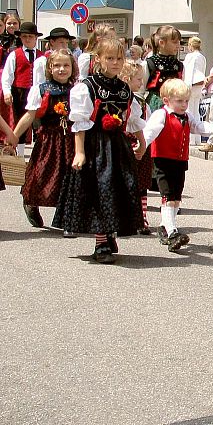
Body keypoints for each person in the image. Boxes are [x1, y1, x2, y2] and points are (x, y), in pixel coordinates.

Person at [52, 39, 147, 264]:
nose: (115, 63)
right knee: (99, 191)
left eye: (119, 58)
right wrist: (80, 152)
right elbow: (80, 122)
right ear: (99, 60)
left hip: (118, 146)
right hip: (95, 146)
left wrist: (142, 143)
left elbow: (132, 118)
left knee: (120, 188)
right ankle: (100, 242)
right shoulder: (87, 86)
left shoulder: (124, 88)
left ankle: (111, 231)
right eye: (110, 58)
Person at [143, 79, 213, 251]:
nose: (184, 105)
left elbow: (198, 126)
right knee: (168, 196)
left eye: (186, 101)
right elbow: (149, 133)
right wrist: (141, 147)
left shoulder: (186, 116)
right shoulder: (161, 115)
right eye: (179, 101)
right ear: (166, 100)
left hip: (180, 161)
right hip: (163, 161)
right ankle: (172, 232)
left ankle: (165, 226)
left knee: (176, 197)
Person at [13, 49, 77, 228]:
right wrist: (14, 137)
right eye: (57, 65)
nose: (62, 69)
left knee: (69, 177)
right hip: (48, 140)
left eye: (66, 65)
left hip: (71, 140)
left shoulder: (77, 89)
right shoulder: (41, 89)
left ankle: (67, 216)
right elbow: (29, 116)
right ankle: (31, 202)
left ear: (73, 67)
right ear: (50, 68)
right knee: (40, 175)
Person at [119, 59, 153, 234]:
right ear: (126, 78)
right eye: (138, 79)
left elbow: (141, 123)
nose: (141, 83)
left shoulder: (138, 101)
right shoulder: (124, 100)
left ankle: (142, 217)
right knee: (126, 182)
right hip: (124, 142)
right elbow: (134, 123)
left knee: (140, 182)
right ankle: (126, 217)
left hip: (135, 142)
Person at [1, 22, 44, 155]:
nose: (27, 39)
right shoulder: (15, 54)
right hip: (19, 92)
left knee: (39, 123)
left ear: (36, 38)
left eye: (30, 36)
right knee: (20, 122)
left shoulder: (42, 56)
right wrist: (7, 92)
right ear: (20, 38)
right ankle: (17, 153)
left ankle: (39, 152)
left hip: (38, 93)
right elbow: (7, 75)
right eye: (24, 36)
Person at [144, 25, 183, 112]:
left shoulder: (179, 65)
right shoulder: (149, 63)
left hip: (175, 105)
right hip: (155, 107)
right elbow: (140, 90)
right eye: (174, 42)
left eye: (179, 42)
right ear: (161, 43)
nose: (178, 45)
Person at [0, 10, 21, 140]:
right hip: (3, 78)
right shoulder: (2, 40)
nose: (12, 26)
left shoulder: (22, 40)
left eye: (14, 23)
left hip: (19, 77)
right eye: (9, 23)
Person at [183, 37, 207, 145]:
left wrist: (185, 86)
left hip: (191, 84)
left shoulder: (191, 56)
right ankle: (197, 138)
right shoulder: (202, 57)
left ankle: (190, 138)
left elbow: (188, 71)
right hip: (199, 84)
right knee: (196, 110)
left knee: (188, 110)